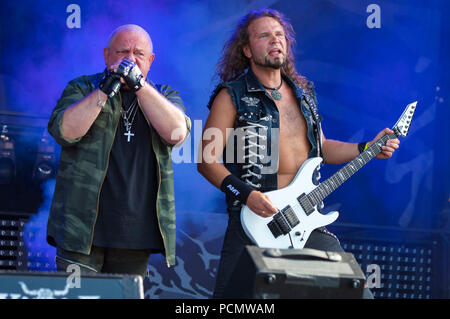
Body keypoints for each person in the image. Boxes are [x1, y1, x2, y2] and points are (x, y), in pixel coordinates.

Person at [197, 9, 399, 298]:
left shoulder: (304, 94)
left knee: (357, 294)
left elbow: (322, 148)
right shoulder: (231, 96)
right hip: (253, 221)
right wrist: (247, 194)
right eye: (264, 35)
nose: (274, 40)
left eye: (279, 34)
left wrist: (367, 148)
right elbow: (206, 161)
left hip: (305, 220)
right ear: (246, 49)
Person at [47, 24, 191, 278]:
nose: (130, 60)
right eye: (122, 52)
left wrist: (140, 86)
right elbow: (65, 132)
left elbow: (177, 134)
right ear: (106, 56)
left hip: (135, 233)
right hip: (81, 231)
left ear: (151, 60)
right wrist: (103, 90)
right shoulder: (82, 87)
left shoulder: (165, 95)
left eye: (139, 54)